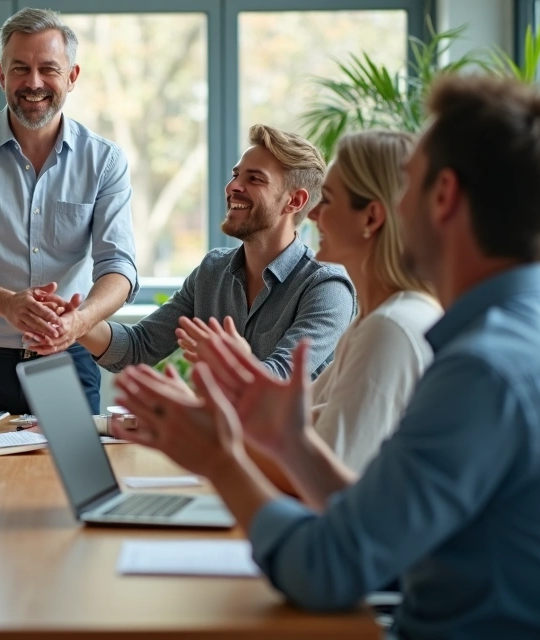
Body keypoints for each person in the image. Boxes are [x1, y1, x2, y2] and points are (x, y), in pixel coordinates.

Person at [115, 74, 540, 638]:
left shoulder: (485, 371)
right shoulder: (539, 343)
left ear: (442, 198)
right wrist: (289, 441)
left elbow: (326, 569)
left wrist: (220, 459)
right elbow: (382, 524)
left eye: (408, 185)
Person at [188, 131, 440, 484]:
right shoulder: (375, 322)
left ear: (371, 218)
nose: (314, 214)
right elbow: (299, 423)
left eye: (329, 200)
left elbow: (320, 480)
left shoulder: (389, 329)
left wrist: (205, 444)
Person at [0, 7, 138, 415]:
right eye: (20, 68)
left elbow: (119, 266)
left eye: (48, 69)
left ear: (72, 77)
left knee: (74, 477)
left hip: (67, 360)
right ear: (1, 74)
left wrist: (81, 321)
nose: (33, 83)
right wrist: (6, 303)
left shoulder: (104, 160)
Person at [44, 125, 354, 381]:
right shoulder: (212, 272)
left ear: (295, 201)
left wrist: (234, 359)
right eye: (236, 175)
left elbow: (279, 380)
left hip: (288, 452)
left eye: (254, 179)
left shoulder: (326, 288)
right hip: (217, 446)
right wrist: (76, 323)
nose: (233, 186)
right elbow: (138, 347)